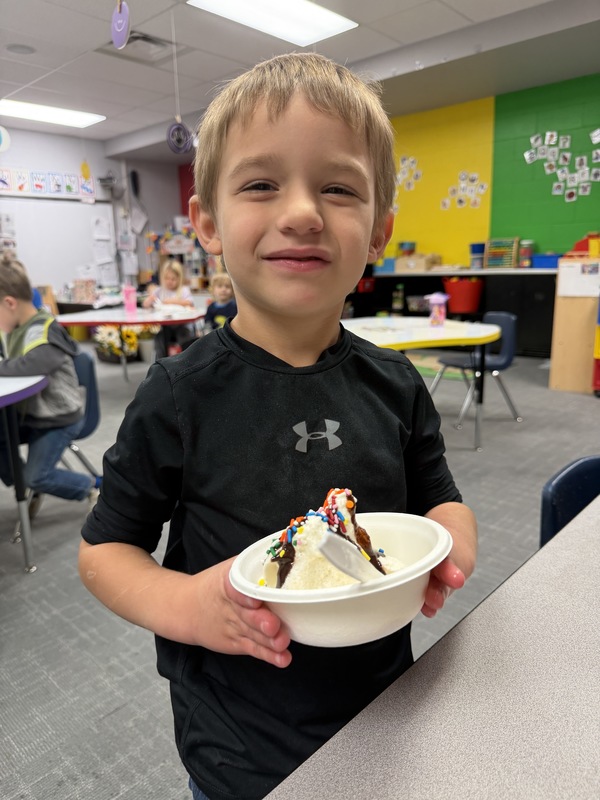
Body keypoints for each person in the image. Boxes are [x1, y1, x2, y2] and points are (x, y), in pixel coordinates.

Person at [79, 53, 477, 800]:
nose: (302, 212)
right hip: (239, 745)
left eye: (338, 187)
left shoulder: (395, 386)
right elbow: (105, 551)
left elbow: (441, 501)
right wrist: (187, 607)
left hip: (385, 711)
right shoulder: (177, 396)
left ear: (380, 230)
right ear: (207, 223)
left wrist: (451, 546)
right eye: (261, 185)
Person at [0, 252, 101, 510]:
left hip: (59, 418)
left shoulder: (44, 328)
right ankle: (21, 480)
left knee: (37, 475)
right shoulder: (17, 328)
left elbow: (34, 363)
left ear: (10, 303)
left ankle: (92, 488)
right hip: (32, 415)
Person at [143, 258, 195, 357]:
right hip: (165, 326)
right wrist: (149, 300)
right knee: (159, 338)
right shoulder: (159, 290)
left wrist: (174, 301)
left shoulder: (184, 290)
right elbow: (146, 305)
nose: (169, 282)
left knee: (185, 338)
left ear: (179, 279)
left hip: (182, 326)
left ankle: (186, 361)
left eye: (173, 279)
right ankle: (161, 362)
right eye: (167, 278)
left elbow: (189, 303)